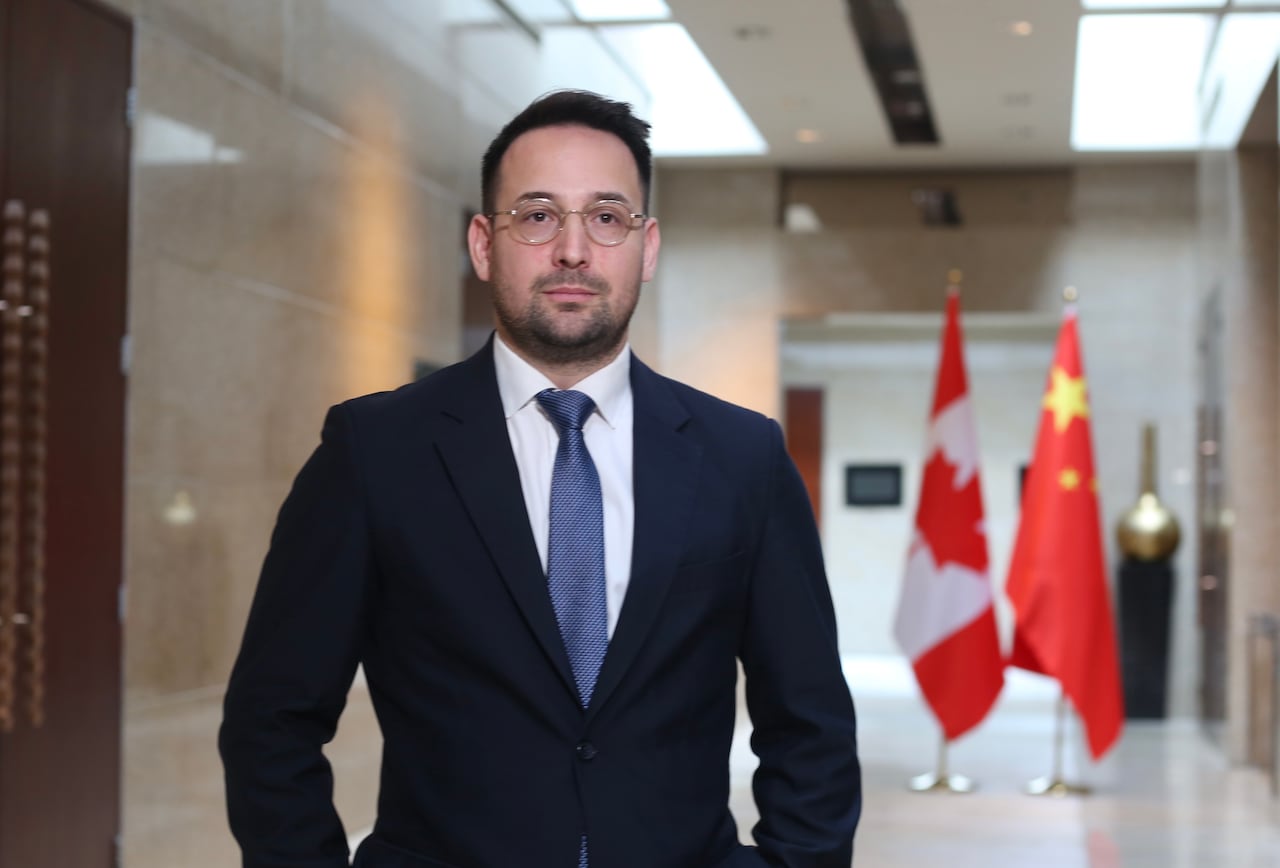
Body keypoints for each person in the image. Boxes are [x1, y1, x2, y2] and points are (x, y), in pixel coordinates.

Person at [219, 89, 860, 868]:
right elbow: (273, 718)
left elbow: (811, 722)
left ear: (647, 247)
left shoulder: (742, 456)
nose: (573, 251)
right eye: (538, 215)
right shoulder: (375, 449)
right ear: (485, 244)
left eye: (607, 216)